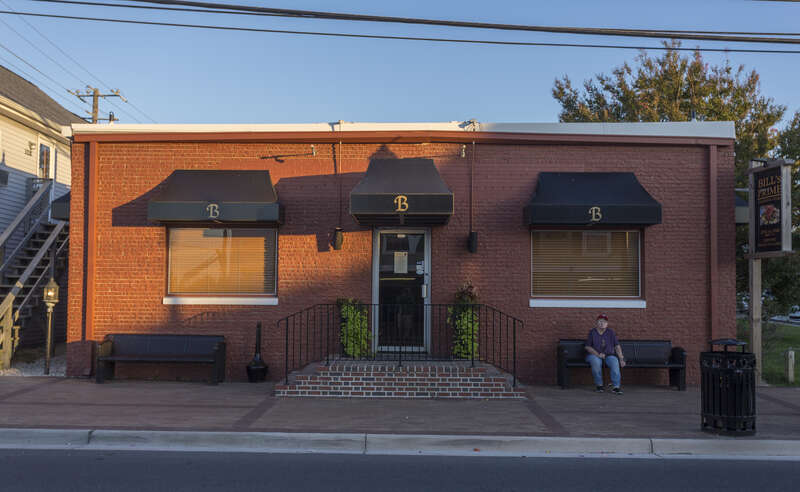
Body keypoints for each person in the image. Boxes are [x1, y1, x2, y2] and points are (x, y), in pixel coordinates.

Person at [584, 314, 625, 395]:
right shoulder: (592, 332)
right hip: (594, 355)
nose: (602, 323)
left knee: (614, 361)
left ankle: (616, 387)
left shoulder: (611, 332)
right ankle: (599, 385)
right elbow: (587, 347)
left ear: (607, 324)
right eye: (600, 321)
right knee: (595, 362)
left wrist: (621, 359)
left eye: (604, 322)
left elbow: (617, 346)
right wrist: (598, 354)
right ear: (596, 323)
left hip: (609, 355)